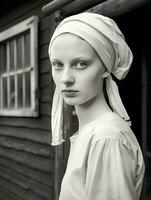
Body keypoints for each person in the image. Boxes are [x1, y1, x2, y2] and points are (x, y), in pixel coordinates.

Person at [48, 12, 145, 200]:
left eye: (81, 64)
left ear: (106, 68)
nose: (65, 78)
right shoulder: (93, 132)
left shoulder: (106, 137)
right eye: (58, 65)